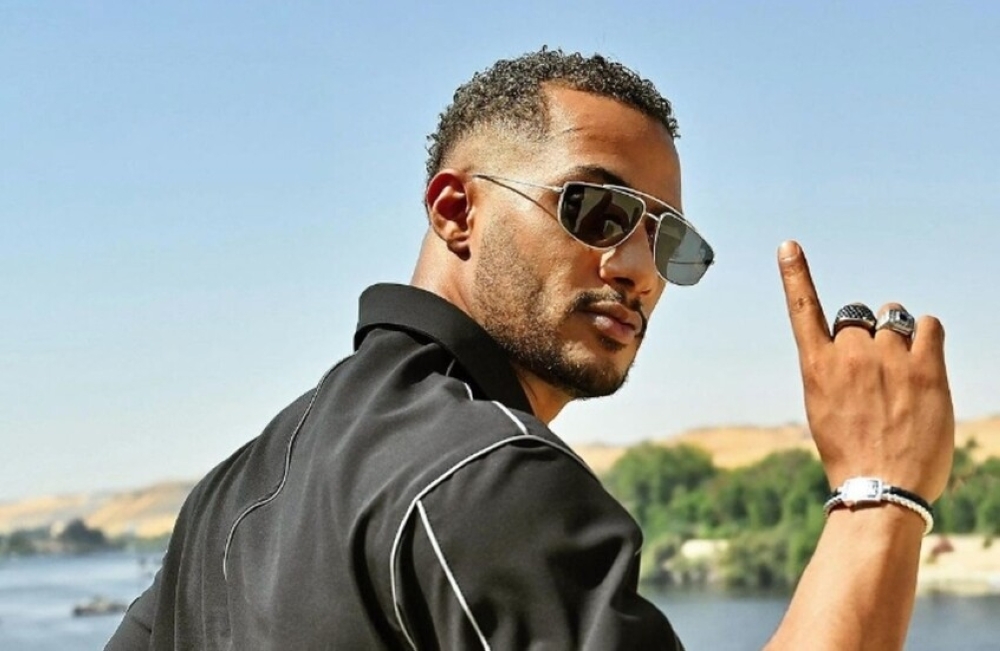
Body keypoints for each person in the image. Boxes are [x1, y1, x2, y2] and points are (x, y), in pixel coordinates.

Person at [106, 48, 954, 651]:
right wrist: (880, 492)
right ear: (456, 212)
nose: (638, 270)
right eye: (596, 210)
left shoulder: (228, 494)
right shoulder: (484, 473)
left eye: (668, 243)